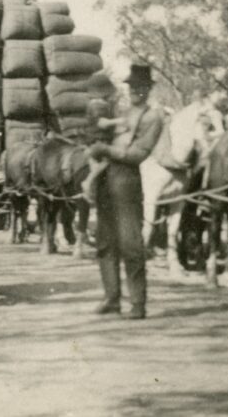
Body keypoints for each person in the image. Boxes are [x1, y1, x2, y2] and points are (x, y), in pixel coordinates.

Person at [86, 63, 164, 319]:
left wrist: (105, 150)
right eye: (131, 86)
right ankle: (112, 298)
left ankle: (138, 304)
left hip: (126, 180)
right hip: (106, 178)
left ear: (148, 89)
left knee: (131, 244)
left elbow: (138, 154)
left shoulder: (153, 117)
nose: (135, 91)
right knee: (105, 242)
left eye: (140, 87)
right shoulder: (123, 112)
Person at [80, 73, 127, 204]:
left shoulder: (103, 104)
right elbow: (102, 123)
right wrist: (120, 121)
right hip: (97, 141)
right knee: (109, 161)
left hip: (102, 140)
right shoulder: (97, 105)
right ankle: (88, 181)